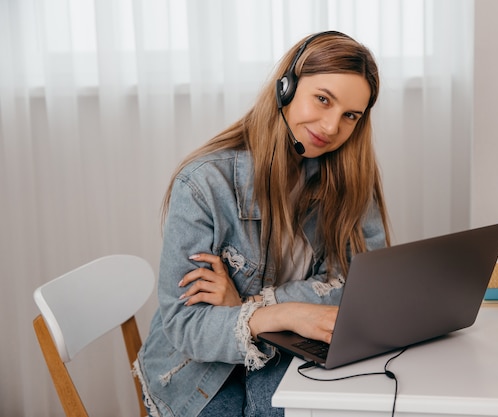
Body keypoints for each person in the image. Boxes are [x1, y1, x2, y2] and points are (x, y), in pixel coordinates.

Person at [134, 30, 391, 417]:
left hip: (289, 349)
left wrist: (250, 307)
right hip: (199, 372)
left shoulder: (350, 180)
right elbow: (186, 325)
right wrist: (286, 314)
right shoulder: (203, 184)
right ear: (285, 87)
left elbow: (365, 288)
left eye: (349, 115)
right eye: (323, 99)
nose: (332, 126)